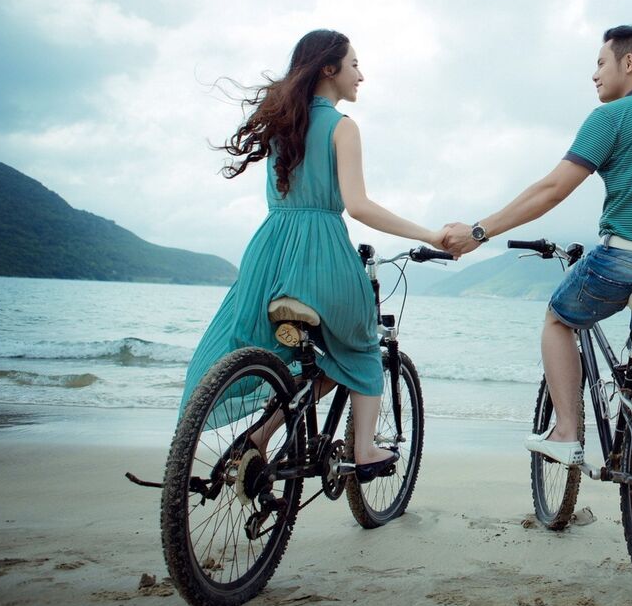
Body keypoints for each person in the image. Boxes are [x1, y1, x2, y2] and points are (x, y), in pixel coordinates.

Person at [181, 29, 447, 481]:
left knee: (302, 356)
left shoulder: (282, 124)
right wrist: (429, 234)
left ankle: (260, 438)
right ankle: (363, 449)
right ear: (330, 69)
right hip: (322, 252)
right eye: (354, 64)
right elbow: (358, 206)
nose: (361, 74)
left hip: (270, 254)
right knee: (361, 346)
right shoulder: (343, 127)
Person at [443, 25, 632, 465]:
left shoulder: (610, 117)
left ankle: (565, 433)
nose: (594, 74)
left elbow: (552, 191)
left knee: (558, 319)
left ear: (629, 63)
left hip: (624, 260)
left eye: (601, 63)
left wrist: (479, 231)